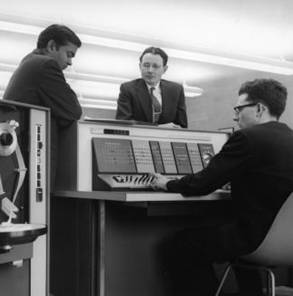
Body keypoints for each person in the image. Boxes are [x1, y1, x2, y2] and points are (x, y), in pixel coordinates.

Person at [150, 78, 293, 296]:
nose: (235, 116)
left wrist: (166, 183)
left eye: (239, 108)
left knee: (181, 245)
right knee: (230, 233)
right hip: (286, 243)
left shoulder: (246, 138)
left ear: (259, 109)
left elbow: (202, 184)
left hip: (254, 239)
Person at [3, 24, 82, 191]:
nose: (70, 62)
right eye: (69, 54)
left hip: (20, 157)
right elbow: (73, 110)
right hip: (35, 160)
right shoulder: (45, 65)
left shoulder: (29, 62)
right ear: (52, 46)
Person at [116, 47, 187, 128]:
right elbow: (123, 123)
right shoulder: (128, 89)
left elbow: (182, 126)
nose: (150, 70)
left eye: (155, 66)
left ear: (164, 69)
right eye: (146, 65)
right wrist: (158, 128)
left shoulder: (176, 90)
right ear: (140, 66)